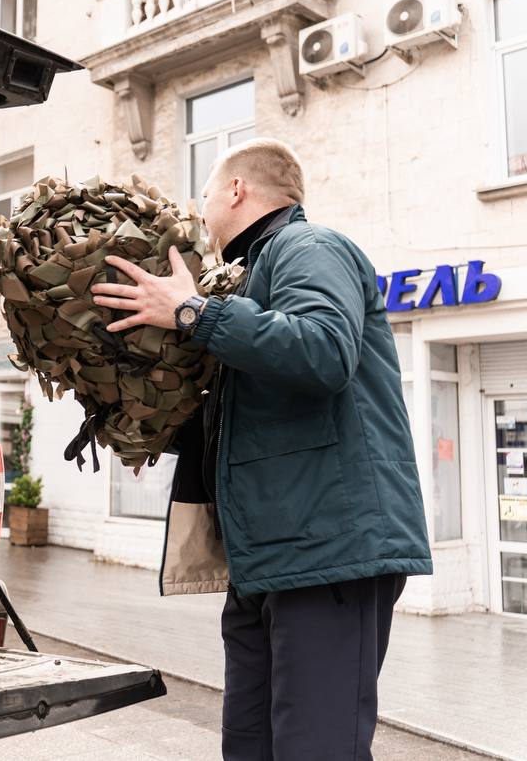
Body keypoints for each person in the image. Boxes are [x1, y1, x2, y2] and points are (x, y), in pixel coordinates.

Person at [89, 137, 432, 761]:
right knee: (250, 745)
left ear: (237, 191)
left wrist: (194, 313)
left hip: (331, 550)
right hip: (269, 559)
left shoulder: (310, 247)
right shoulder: (246, 280)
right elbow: (259, 411)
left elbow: (324, 350)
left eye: (206, 195)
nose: (200, 210)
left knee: (315, 749)